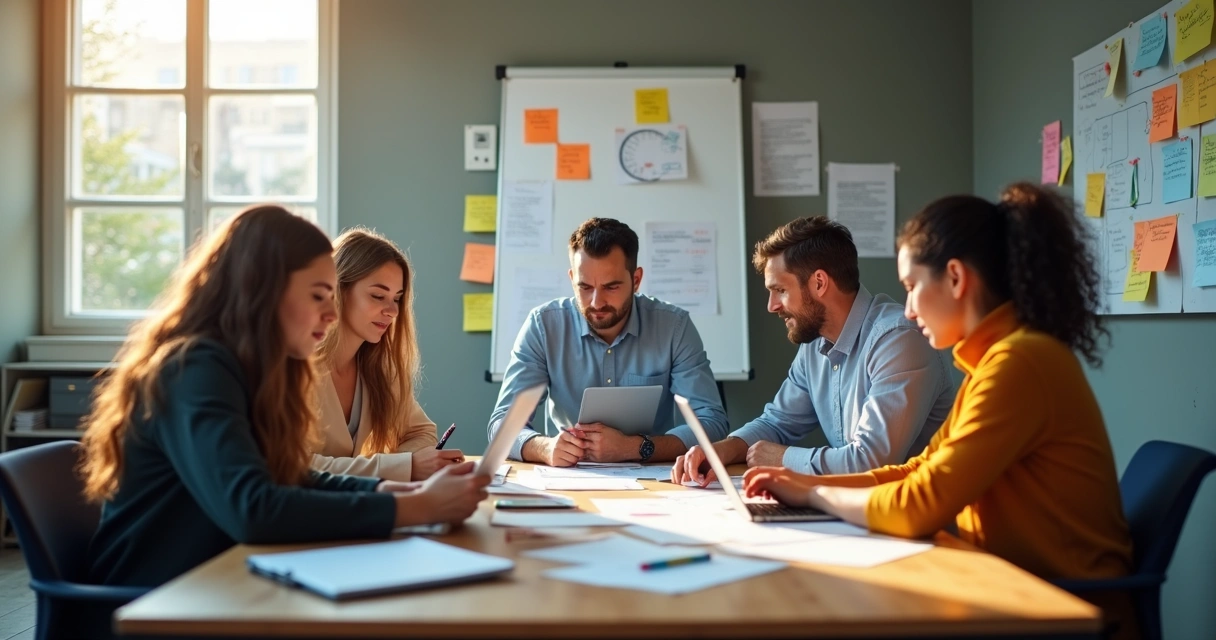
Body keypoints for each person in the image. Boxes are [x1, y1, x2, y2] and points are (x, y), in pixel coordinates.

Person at [743, 184, 1134, 633]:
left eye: (911, 287)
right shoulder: (993, 363)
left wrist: (813, 493)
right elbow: (918, 470)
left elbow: (920, 503)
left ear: (955, 278)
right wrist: (797, 482)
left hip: (1056, 607)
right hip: (1006, 585)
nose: (908, 310)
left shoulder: (1019, 364)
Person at [81, 205, 489, 588]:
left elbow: (287, 475)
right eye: (318, 296)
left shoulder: (252, 369)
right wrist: (416, 508)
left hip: (217, 579)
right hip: (153, 599)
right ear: (263, 290)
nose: (330, 315)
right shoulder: (195, 368)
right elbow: (253, 508)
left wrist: (396, 493)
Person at [673, 217, 954, 485]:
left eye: (780, 290)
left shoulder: (899, 340)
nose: (772, 305)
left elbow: (872, 462)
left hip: (914, 524)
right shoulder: (816, 342)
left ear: (819, 283)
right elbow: (778, 422)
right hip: (857, 511)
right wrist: (720, 451)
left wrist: (783, 458)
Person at [488, 217, 728, 466]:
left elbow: (712, 422)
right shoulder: (543, 326)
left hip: (656, 479)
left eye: (611, 287)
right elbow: (502, 425)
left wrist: (637, 447)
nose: (596, 302)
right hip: (569, 477)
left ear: (636, 280)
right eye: (585, 287)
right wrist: (545, 448)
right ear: (572, 279)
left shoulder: (673, 327)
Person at [311, 228, 463, 481]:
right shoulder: (294, 368)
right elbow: (293, 466)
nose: (392, 311)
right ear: (338, 291)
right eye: (378, 296)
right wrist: (403, 467)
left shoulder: (378, 368)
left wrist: (408, 463)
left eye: (397, 299)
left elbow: (423, 432)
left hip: (356, 510)